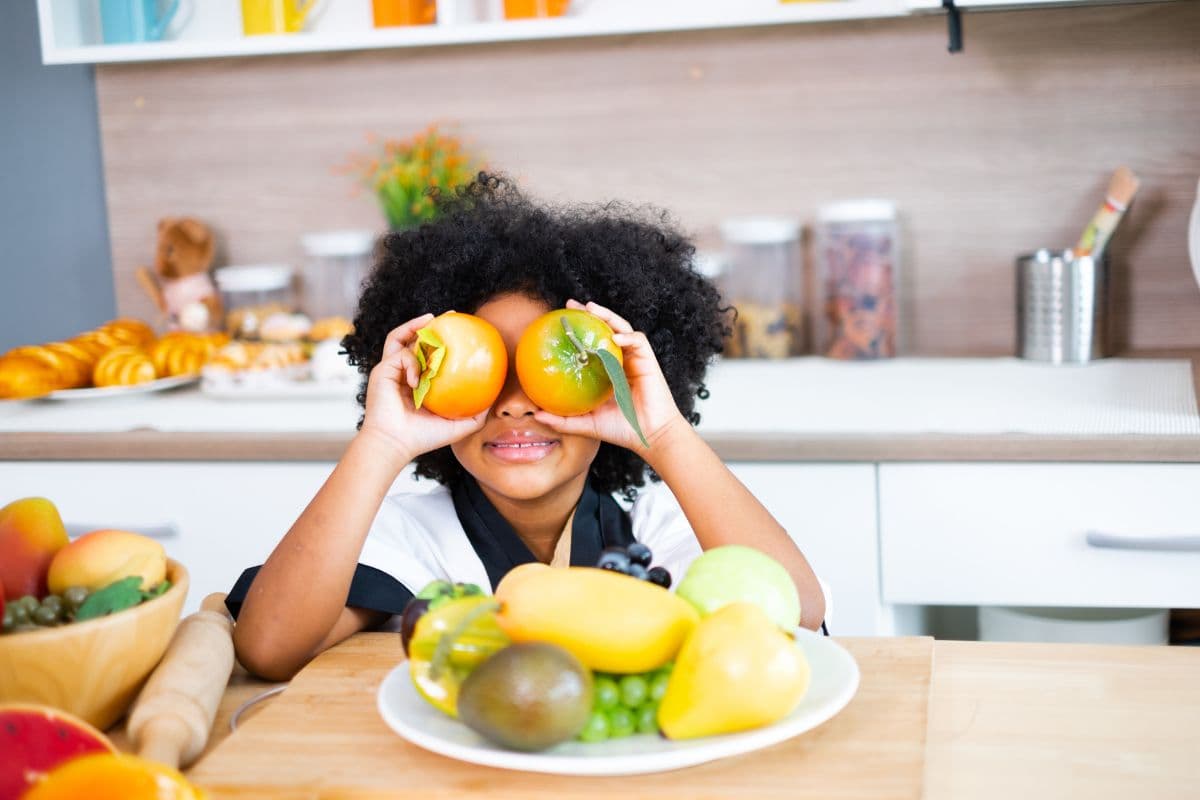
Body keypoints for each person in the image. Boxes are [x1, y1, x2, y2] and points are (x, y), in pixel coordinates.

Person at [228, 174, 825, 680]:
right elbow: (268, 646)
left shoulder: (664, 528)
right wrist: (380, 442)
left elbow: (798, 618)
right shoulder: (408, 538)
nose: (514, 405)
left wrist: (663, 432)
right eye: (485, 372)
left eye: (549, 371)